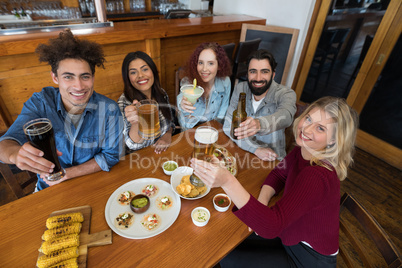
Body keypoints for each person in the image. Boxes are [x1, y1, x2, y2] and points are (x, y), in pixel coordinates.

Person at [191, 96, 359, 267]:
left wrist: (227, 181)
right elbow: (279, 174)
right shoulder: (304, 150)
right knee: (222, 245)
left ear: (333, 141)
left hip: (306, 259)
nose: (307, 129)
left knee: (224, 257)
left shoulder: (317, 175)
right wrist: (263, 201)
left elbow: (271, 227)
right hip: (289, 234)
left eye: (320, 128)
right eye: (308, 118)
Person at [0, 29, 124, 191]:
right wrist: (15, 155)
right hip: (49, 188)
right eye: (68, 76)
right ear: (55, 77)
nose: (78, 86)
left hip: (93, 182)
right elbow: (5, 144)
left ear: (93, 78)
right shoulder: (41, 103)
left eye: (85, 76)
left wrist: (67, 174)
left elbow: (111, 156)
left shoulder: (109, 109)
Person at [223, 49, 296, 161]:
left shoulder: (286, 94)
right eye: (253, 71)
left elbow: (286, 116)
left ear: (273, 75)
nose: (258, 78)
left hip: (272, 158)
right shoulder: (240, 88)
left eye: (264, 71)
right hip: (243, 150)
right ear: (247, 74)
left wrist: (259, 124)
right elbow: (228, 126)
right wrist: (255, 149)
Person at [118, 51, 175, 154]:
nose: (140, 75)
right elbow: (132, 145)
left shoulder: (161, 93)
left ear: (152, 71)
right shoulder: (124, 102)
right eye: (133, 72)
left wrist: (167, 135)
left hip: (164, 153)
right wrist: (136, 122)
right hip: (140, 159)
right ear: (128, 77)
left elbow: (170, 123)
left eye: (145, 69)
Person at [177, 42, 232, 129]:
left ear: (219, 65)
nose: (204, 69)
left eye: (210, 63)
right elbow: (181, 97)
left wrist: (215, 128)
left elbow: (223, 109)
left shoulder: (225, 82)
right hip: (190, 127)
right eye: (201, 63)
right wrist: (182, 103)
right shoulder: (188, 82)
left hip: (212, 126)